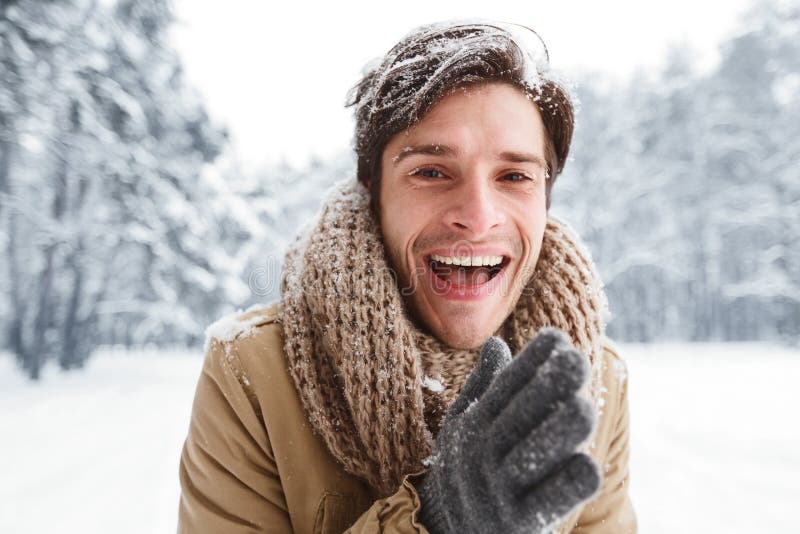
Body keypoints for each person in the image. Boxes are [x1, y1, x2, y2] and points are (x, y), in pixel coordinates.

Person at [178, 21, 637, 534]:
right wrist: (438, 518)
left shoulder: (596, 376)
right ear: (373, 191)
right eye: (432, 172)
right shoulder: (254, 372)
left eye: (514, 177)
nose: (478, 216)